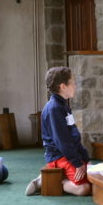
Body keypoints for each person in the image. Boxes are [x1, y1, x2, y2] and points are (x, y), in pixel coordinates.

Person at [25, 67, 91, 196]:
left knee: (91, 176)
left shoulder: (63, 106)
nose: (75, 86)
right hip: (59, 156)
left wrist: (85, 159)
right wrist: (78, 164)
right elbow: (62, 142)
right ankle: (46, 181)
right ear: (63, 86)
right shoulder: (54, 109)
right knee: (84, 188)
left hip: (68, 154)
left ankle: (52, 178)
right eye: (73, 82)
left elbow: (74, 136)